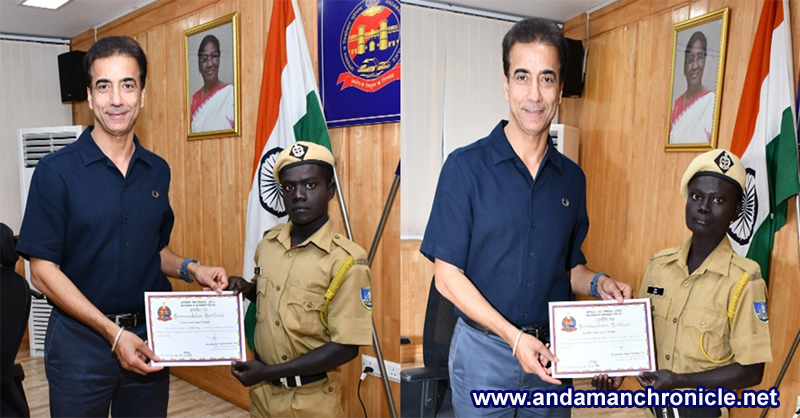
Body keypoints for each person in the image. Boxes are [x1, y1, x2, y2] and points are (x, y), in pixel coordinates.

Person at [420, 18, 632, 417]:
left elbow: (568, 268)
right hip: (484, 356)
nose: (534, 95)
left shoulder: (572, 179)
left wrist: (599, 283)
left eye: (546, 79)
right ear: (506, 85)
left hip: (553, 355)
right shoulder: (464, 168)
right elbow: (446, 277)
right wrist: (514, 339)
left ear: (560, 90)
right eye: (522, 77)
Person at [15, 36, 229, 417]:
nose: (116, 99)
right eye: (104, 86)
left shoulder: (157, 171)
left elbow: (153, 250)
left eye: (127, 85)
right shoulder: (55, 172)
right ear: (89, 96)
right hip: (80, 348)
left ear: (142, 95)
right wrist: (113, 335)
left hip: (149, 339)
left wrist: (191, 269)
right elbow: (43, 273)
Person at [227, 142, 373, 417]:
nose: (298, 195)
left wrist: (270, 372)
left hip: (310, 401)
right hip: (262, 395)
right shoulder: (269, 244)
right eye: (289, 187)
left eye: (310, 185)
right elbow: (276, 300)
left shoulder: (346, 261)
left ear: (330, 191)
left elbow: (346, 347)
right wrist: (248, 290)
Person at [638, 149, 770, 417]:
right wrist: (615, 370)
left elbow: (752, 371)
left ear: (736, 210)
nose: (704, 207)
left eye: (718, 200)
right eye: (696, 196)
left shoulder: (744, 280)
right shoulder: (659, 266)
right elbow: (638, 338)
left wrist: (680, 381)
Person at [670, 31, 715, 144]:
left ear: (704, 63)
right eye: (690, 59)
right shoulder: (675, 106)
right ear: (684, 67)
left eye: (699, 58)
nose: (695, 66)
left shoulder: (711, 102)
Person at [190, 34, 235, 133]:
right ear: (199, 66)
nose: (210, 64)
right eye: (204, 59)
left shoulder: (231, 95)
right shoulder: (193, 102)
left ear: (219, 60)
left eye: (214, 56)